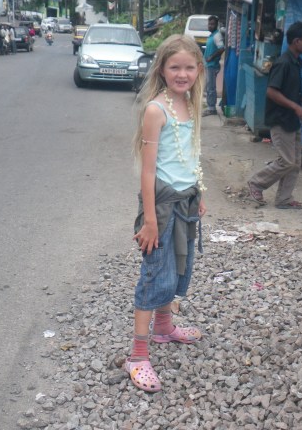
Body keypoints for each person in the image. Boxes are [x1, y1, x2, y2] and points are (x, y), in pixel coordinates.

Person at [127, 34, 208, 393]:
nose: (182, 73)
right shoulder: (156, 110)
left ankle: (164, 327)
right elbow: (148, 171)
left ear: (198, 70)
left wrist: (198, 191)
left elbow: (191, 154)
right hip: (160, 204)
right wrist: (150, 219)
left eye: (189, 67)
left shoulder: (191, 103)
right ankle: (138, 355)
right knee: (155, 273)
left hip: (185, 199)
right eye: (174, 67)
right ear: (161, 69)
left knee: (178, 266)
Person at [247, 21, 302, 210]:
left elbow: (290, 90)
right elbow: (272, 91)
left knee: (294, 163)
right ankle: (257, 183)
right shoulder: (283, 63)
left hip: (292, 120)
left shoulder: (296, 63)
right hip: (280, 119)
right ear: (296, 41)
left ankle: (284, 199)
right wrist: (296, 107)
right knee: (286, 161)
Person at [202, 15, 224, 116]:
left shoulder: (217, 35)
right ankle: (210, 106)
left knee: (211, 87)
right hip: (209, 65)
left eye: (212, 24)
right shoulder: (212, 35)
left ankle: (211, 108)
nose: (210, 26)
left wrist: (211, 57)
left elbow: (221, 48)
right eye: (209, 24)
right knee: (209, 86)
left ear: (216, 25)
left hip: (212, 65)